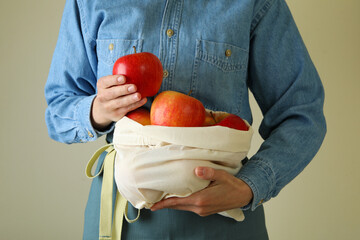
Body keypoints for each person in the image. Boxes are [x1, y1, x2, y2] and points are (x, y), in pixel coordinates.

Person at [45, 0, 326, 239]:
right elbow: (58, 111)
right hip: (122, 218)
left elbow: (301, 112)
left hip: (225, 216)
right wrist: (98, 110)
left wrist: (250, 186)